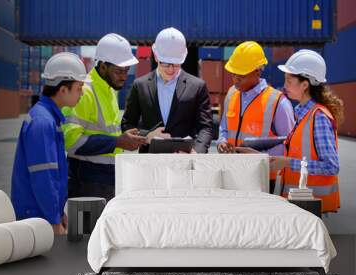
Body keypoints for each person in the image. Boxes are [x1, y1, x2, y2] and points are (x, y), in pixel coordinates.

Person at [62, 33, 147, 202]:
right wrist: (117, 142)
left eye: (126, 70)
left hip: (105, 180)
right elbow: (70, 141)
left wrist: (126, 138)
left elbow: (108, 132)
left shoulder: (109, 90)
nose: (124, 76)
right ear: (102, 66)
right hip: (85, 183)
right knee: (85, 229)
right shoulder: (85, 92)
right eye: (119, 71)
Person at [11, 52, 87, 234]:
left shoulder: (48, 118)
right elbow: (44, 177)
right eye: (79, 87)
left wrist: (59, 213)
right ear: (63, 89)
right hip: (37, 220)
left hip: (42, 215)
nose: (82, 93)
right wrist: (53, 220)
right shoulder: (43, 123)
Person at [270, 49, 344, 213]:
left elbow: (331, 166)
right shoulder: (302, 114)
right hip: (301, 204)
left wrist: (288, 163)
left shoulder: (318, 118)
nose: (284, 86)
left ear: (305, 84)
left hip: (311, 205)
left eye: (289, 81)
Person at [216, 41, 295, 193]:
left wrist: (260, 157)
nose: (235, 79)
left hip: (262, 178)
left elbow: (289, 144)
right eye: (233, 74)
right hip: (231, 172)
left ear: (257, 72)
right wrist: (222, 141)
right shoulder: (231, 94)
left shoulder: (277, 102)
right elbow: (224, 128)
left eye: (241, 75)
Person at [121, 27, 213, 153]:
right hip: (149, 162)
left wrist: (196, 152)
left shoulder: (197, 86)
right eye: (166, 64)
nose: (171, 69)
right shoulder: (139, 85)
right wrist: (147, 136)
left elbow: (206, 128)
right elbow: (127, 125)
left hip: (184, 161)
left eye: (176, 64)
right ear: (156, 56)